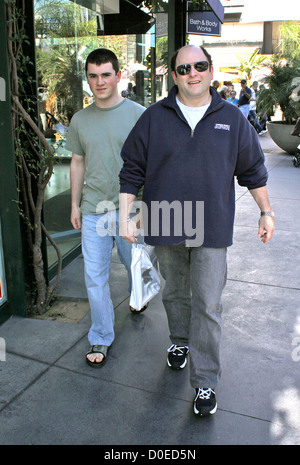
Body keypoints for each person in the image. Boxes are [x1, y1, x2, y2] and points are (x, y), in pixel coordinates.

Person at [119, 45, 274, 417]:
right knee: (175, 294)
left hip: (212, 226)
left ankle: (204, 381)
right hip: (165, 221)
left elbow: (252, 169)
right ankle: (179, 341)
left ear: (210, 70)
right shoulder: (154, 118)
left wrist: (266, 211)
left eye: (199, 66)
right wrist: (126, 215)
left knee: (207, 302)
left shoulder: (232, 119)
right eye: (184, 67)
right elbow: (131, 170)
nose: (193, 73)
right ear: (174, 75)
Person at [65, 48, 145, 368]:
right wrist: (74, 204)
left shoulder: (139, 114)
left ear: (118, 76)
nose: (99, 82)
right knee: (94, 276)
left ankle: (140, 296)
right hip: (94, 208)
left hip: (130, 208)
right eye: (93, 76)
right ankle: (101, 335)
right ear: (87, 79)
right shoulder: (80, 119)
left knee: (135, 266)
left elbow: (152, 162)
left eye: (106, 75)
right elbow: (77, 161)